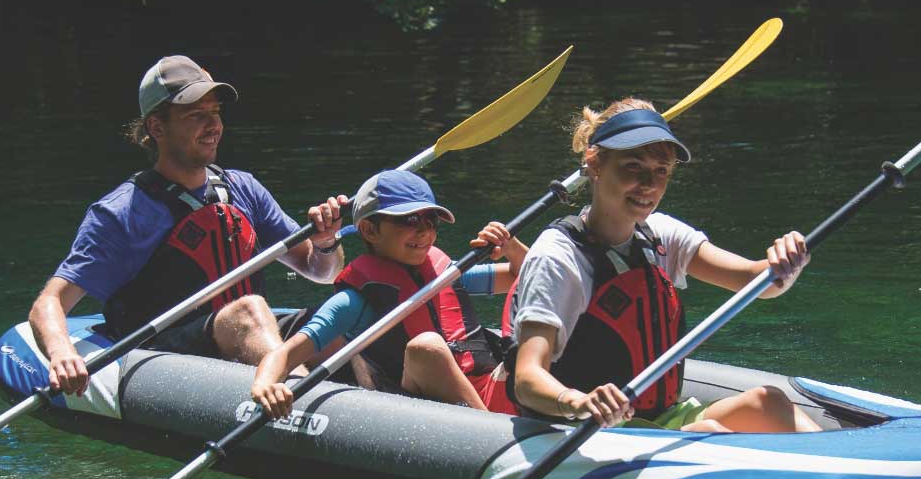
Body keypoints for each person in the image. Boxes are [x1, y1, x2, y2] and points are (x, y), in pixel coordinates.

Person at [29, 55, 348, 396]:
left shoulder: (243, 188)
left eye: (215, 113)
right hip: (166, 354)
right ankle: (303, 399)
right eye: (196, 115)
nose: (213, 126)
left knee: (340, 319)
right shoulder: (122, 212)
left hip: (249, 334)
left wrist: (328, 241)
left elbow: (322, 271)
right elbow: (48, 303)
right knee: (249, 310)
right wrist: (62, 353)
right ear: (157, 128)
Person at [509, 98, 822, 433]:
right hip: (587, 431)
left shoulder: (660, 234)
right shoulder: (558, 256)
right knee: (710, 432)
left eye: (661, 171)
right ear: (595, 164)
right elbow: (527, 379)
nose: (649, 185)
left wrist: (787, 259)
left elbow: (759, 283)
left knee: (768, 402)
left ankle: (848, 474)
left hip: (657, 421)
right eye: (633, 166)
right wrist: (579, 402)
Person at [251, 169, 526, 419]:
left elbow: (524, 277)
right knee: (426, 348)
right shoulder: (354, 302)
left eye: (431, 220)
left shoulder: (447, 273)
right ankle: (492, 432)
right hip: (423, 407)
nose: (424, 230)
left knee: (540, 326)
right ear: (370, 230)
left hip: (486, 386)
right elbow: (286, 354)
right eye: (409, 219)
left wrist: (511, 246)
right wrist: (265, 384)